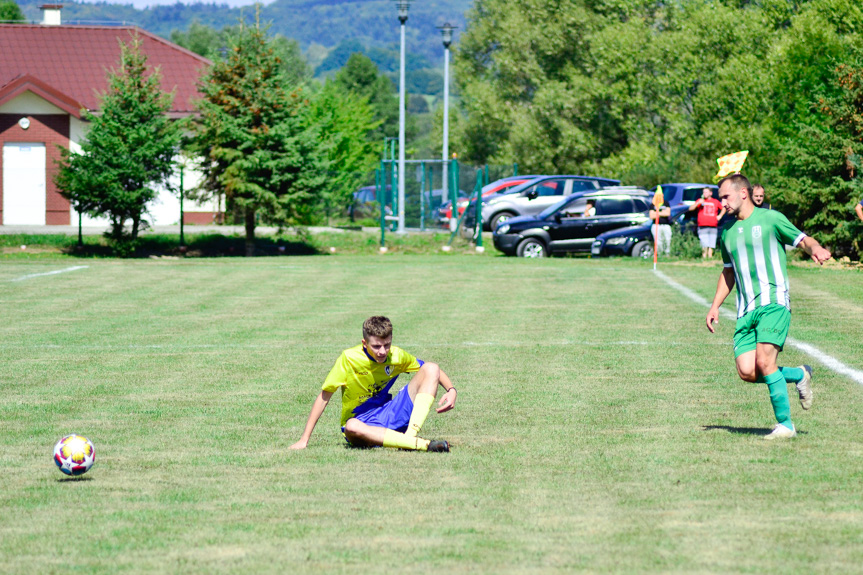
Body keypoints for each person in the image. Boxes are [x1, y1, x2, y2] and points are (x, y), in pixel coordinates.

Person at [706, 174, 832, 440]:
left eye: (725, 197)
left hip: (773, 302)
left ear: (743, 193)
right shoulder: (727, 232)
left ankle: (785, 425)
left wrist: (816, 248)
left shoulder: (771, 219)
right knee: (748, 371)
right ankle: (799, 374)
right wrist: (715, 305)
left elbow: (803, 239)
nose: (722, 203)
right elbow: (728, 272)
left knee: (765, 361)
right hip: (745, 311)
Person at [290, 316, 455, 452]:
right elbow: (324, 397)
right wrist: (304, 439)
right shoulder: (348, 359)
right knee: (351, 426)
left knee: (431, 367)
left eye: (387, 345)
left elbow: (431, 372)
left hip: (391, 413)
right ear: (364, 343)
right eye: (376, 346)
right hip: (362, 423)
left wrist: (451, 389)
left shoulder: (396, 355)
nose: (382, 351)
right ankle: (420, 444)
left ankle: (410, 437)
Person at [688, 187, 726, 258]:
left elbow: (724, 208)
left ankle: (710, 256)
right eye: (704, 192)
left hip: (713, 225)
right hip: (703, 225)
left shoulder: (715, 201)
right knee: (704, 242)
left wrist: (720, 216)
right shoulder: (700, 201)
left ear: (710, 193)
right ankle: (704, 257)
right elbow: (690, 208)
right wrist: (698, 203)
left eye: (706, 192)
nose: (704, 194)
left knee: (711, 243)